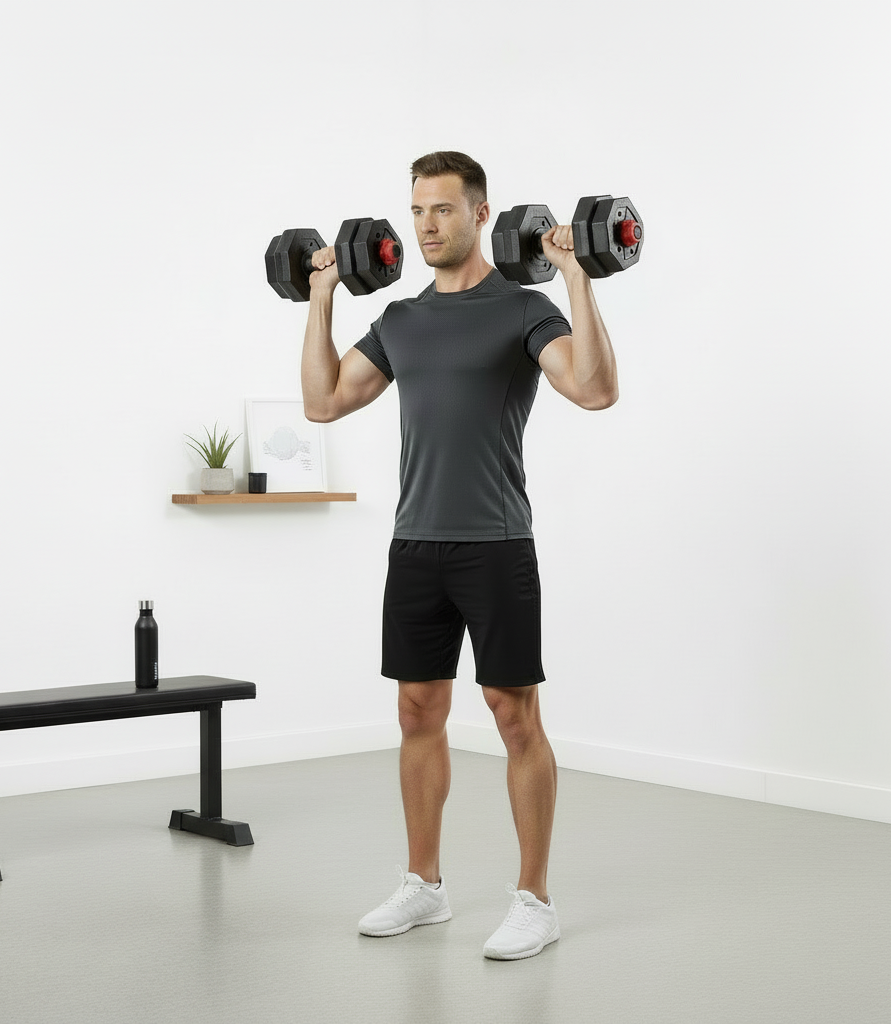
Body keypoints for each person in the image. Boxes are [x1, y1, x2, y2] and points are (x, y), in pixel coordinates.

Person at [300, 151, 618, 960]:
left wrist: (576, 278)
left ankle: (535, 899)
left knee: (515, 718)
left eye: (443, 209)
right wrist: (321, 296)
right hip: (416, 545)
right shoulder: (402, 319)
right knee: (417, 712)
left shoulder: (522, 309)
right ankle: (425, 886)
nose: (427, 224)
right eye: (417, 211)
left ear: (483, 214)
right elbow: (324, 400)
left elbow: (593, 389)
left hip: (497, 545)